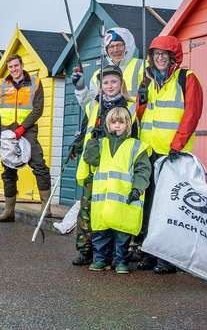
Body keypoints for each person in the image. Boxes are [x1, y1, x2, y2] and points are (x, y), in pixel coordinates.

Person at [135, 35, 203, 274]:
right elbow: (142, 115)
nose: (160, 58)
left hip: (173, 154)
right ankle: (149, 252)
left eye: (164, 54)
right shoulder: (149, 81)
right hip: (150, 151)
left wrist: (177, 144)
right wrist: (140, 100)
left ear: (174, 57)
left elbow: (192, 114)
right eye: (156, 54)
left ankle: (167, 258)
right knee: (150, 204)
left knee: (169, 206)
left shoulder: (187, 78)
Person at [71, 65, 136, 265]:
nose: (109, 86)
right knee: (88, 208)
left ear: (121, 83)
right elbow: (85, 119)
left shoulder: (130, 106)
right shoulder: (95, 105)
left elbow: (132, 134)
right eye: (105, 82)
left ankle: (115, 253)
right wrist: (79, 142)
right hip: (95, 166)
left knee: (114, 209)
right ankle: (86, 249)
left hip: (116, 168)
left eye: (113, 82)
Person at [83, 107, 151, 274]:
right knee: (101, 233)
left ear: (128, 124)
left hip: (124, 200)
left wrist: (138, 188)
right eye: (113, 122)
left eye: (121, 122)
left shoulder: (136, 146)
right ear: (108, 125)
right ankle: (100, 260)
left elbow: (143, 170)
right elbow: (90, 158)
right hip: (102, 201)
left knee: (122, 235)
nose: (117, 126)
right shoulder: (101, 143)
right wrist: (92, 140)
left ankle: (120, 260)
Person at [0, 54, 51, 222]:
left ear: (22, 65)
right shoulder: (2, 85)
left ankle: (46, 209)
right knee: (8, 170)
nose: (13, 69)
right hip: (7, 134)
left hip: (28, 131)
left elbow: (38, 109)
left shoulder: (35, 83)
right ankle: (9, 211)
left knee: (40, 166)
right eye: (10, 67)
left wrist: (23, 128)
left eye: (16, 66)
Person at [71, 28, 144, 107]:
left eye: (119, 45)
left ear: (127, 47)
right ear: (106, 50)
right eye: (111, 47)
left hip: (133, 118)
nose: (115, 50)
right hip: (107, 119)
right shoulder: (98, 75)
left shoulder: (142, 66)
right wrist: (81, 89)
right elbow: (91, 109)